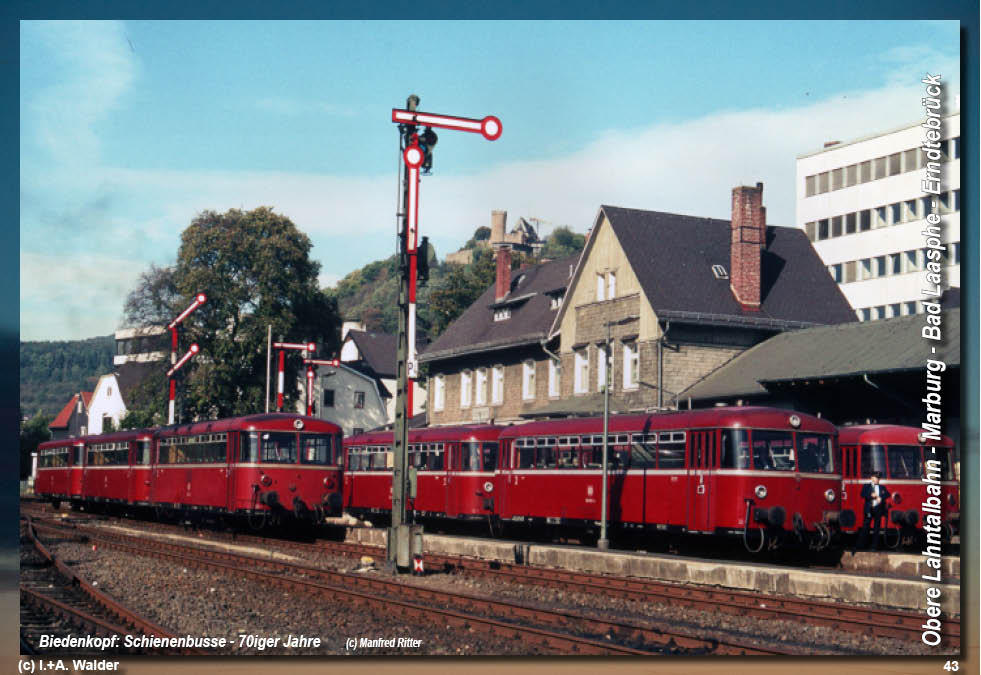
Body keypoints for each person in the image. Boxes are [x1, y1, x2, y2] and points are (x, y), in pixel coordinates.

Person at [853, 471, 890, 552]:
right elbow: (862, 494)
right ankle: (861, 545)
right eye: (876, 478)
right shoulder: (866, 486)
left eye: (878, 478)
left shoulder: (882, 487)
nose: (877, 480)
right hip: (869, 509)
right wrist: (870, 495)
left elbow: (888, 494)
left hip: (878, 510)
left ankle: (874, 546)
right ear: (872, 478)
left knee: (877, 528)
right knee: (865, 527)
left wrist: (881, 497)